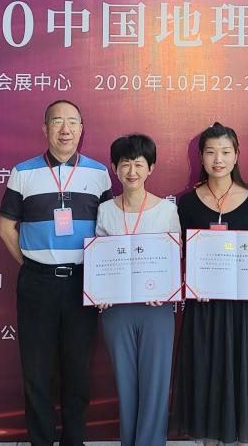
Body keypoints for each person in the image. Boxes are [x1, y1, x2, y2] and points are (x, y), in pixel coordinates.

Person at [0, 99, 112, 446]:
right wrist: (33, 265)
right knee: (37, 371)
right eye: (57, 121)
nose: (65, 129)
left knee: (77, 371)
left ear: (81, 129)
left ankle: (74, 441)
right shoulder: (23, 173)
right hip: (37, 284)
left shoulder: (99, 173)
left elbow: (109, 228)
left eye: (72, 122)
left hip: (82, 283)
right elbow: (5, 228)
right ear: (45, 128)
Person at [172, 122, 248, 446]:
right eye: (211, 152)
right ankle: (208, 439)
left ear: (236, 156)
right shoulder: (187, 203)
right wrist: (191, 281)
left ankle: (241, 439)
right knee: (207, 372)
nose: (218, 159)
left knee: (242, 374)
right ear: (201, 157)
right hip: (204, 308)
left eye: (225, 152)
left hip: (245, 309)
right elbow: (180, 253)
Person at [93, 134, 182, 446]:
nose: (132, 171)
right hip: (116, 310)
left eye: (139, 164)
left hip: (156, 309)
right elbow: (100, 259)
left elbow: (174, 257)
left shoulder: (166, 210)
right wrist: (99, 293)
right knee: (125, 383)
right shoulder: (105, 210)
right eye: (125, 164)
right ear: (114, 167)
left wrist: (165, 288)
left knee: (155, 383)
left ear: (151, 168)